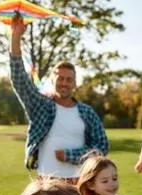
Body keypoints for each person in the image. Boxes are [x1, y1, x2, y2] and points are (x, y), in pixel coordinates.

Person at [9, 14, 109, 183]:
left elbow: (102, 147)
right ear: (52, 81)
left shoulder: (86, 112)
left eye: (69, 79)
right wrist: (15, 36)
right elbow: (19, 78)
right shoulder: (41, 105)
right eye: (60, 78)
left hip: (80, 182)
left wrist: (71, 155)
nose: (64, 83)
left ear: (75, 84)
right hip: (47, 182)